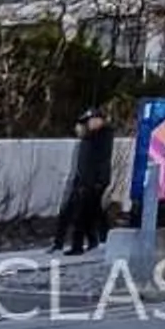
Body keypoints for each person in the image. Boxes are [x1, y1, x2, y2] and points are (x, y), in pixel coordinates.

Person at [52, 108, 116, 254]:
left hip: (93, 181)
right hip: (85, 179)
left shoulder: (101, 137)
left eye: (89, 121)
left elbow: (97, 161)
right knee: (91, 212)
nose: (87, 124)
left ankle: (79, 245)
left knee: (82, 213)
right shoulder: (90, 138)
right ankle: (96, 240)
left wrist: (95, 181)